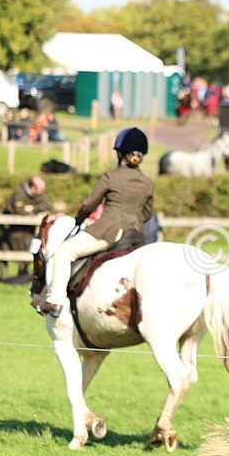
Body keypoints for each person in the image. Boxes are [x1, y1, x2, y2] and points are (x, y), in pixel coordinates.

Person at [39, 128, 154, 318]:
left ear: (120, 153)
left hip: (109, 231)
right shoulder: (147, 182)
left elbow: (90, 203)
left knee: (63, 253)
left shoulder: (110, 177)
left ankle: (56, 301)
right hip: (136, 234)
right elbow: (147, 212)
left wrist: (80, 217)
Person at [0, 176, 47, 282]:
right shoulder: (19, 193)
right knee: (3, 250)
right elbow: (18, 210)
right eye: (40, 190)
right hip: (9, 229)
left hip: (26, 230)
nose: (41, 193)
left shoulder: (39, 194)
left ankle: (22, 276)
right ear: (33, 187)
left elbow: (45, 205)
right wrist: (31, 211)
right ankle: (4, 278)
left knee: (29, 248)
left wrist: (32, 208)